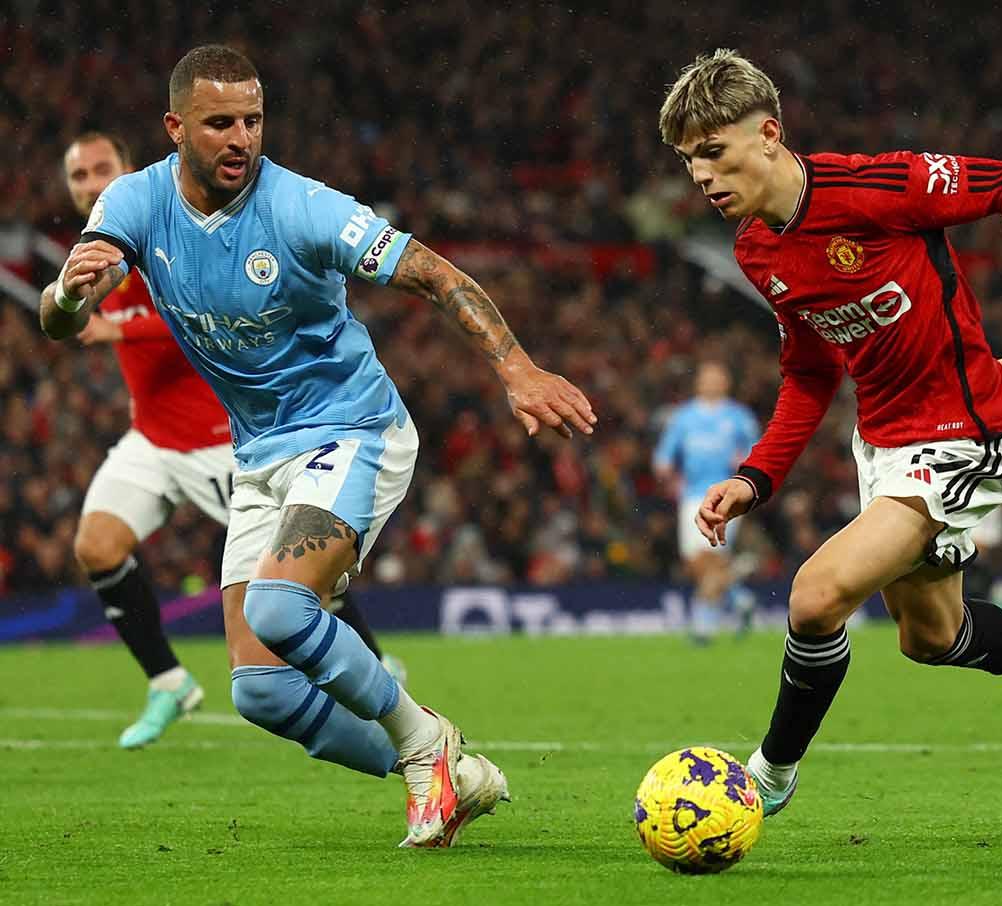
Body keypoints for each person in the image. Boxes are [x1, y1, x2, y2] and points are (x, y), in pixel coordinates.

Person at [40, 45, 595, 847]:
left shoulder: (303, 208)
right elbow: (62, 322)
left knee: (280, 605)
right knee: (260, 691)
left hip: (352, 429)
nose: (241, 138)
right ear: (175, 128)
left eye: (254, 121)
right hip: (259, 452)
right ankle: (450, 773)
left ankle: (425, 742)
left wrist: (515, 367)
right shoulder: (133, 202)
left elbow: (435, 274)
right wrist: (66, 292)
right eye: (220, 122)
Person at [658, 48, 1002, 818]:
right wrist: (754, 477)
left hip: (967, 434)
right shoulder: (756, 248)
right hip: (882, 445)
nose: (703, 176)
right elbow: (810, 373)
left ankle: (767, 777)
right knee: (931, 639)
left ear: (769, 133)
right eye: (688, 162)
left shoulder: (870, 188)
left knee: (813, 598)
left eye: (714, 152)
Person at [57, 132, 400, 750]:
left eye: (100, 170)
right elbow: (71, 311)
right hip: (153, 439)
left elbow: (206, 303)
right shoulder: (102, 248)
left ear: (126, 170)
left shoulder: (159, 227)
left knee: (295, 575)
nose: (89, 183)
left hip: (221, 439)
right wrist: (67, 304)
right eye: (78, 175)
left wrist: (123, 329)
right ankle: (168, 682)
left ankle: (376, 666)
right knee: (97, 545)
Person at [652, 360, 760, 643]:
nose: (711, 382)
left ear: (726, 382)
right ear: (698, 382)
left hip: (726, 495)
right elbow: (663, 458)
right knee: (695, 563)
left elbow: (758, 453)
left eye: (717, 377)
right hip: (691, 497)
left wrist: (745, 466)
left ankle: (703, 625)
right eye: (707, 377)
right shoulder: (683, 417)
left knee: (710, 557)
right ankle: (739, 597)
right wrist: (667, 474)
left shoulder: (739, 417)